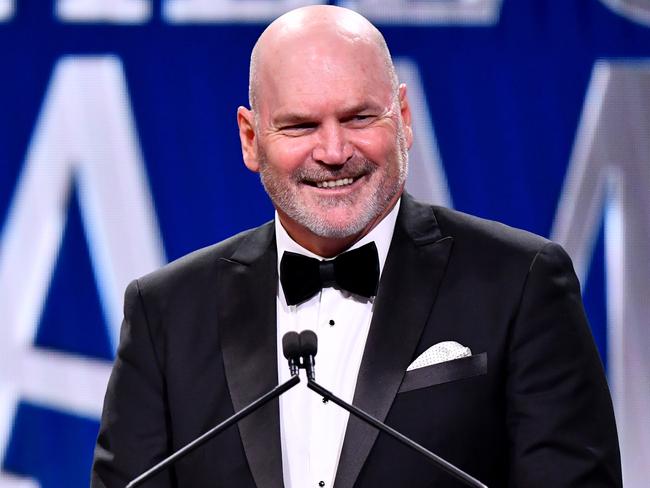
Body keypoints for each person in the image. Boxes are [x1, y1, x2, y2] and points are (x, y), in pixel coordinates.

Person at [91, 5, 622, 488]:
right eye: (300, 126)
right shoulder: (166, 313)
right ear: (251, 139)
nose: (334, 150)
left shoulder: (521, 283)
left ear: (404, 118)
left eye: (359, 118)